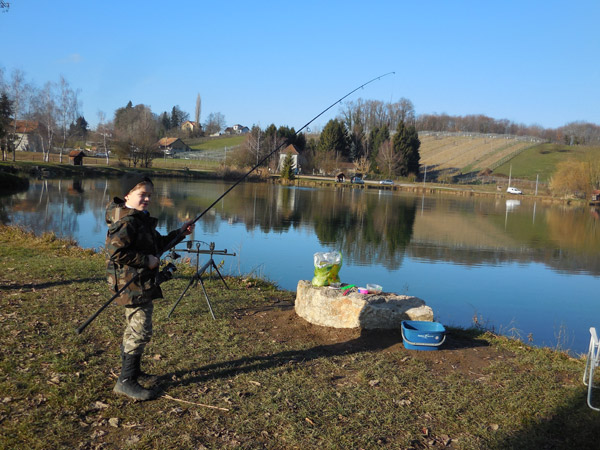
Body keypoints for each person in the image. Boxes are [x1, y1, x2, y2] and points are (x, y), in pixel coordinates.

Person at [105, 174, 194, 401]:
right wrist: (147, 261)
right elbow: (115, 252)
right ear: (127, 195)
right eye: (141, 194)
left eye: (149, 195)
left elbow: (158, 245)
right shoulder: (127, 222)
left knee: (134, 328)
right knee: (140, 330)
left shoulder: (139, 219)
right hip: (131, 285)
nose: (146, 199)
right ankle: (125, 382)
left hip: (139, 283)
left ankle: (132, 372)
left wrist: (180, 233)